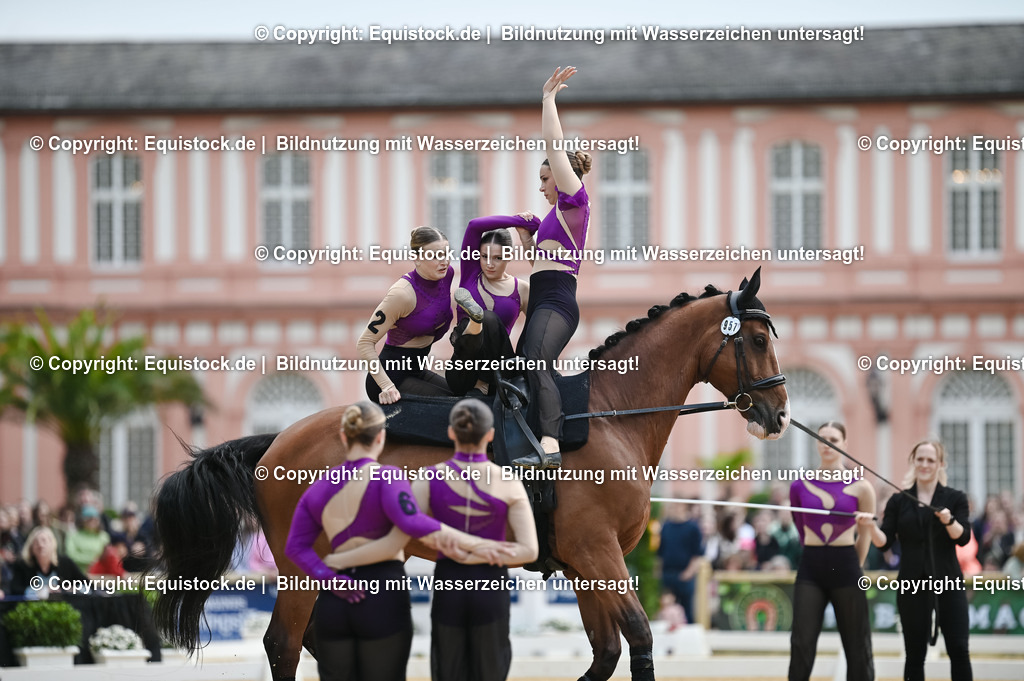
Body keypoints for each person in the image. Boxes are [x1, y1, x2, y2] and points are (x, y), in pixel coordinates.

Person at [285, 401, 514, 681]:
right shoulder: (389, 477)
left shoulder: (319, 488)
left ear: (344, 438)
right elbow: (414, 522)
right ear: (381, 438)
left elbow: (296, 547)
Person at [411, 399, 538, 681]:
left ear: (451, 433)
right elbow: (529, 550)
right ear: (491, 434)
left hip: (449, 584)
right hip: (490, 588)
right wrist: (482, 552)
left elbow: (412, 527)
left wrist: (450, 545)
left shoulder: (428, 476)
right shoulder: (508, 481)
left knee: (449, 671)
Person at [511, 66, 593, 469]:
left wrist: (547, 100)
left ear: (563, 179)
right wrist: (528, 236)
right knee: (523, 362)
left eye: (545, 178)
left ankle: (551, 441)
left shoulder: (574, 201)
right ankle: (528, 435)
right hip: (544, 296)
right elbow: (539, 263)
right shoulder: (551, 218)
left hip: (558, 301)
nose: (541, 185)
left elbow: (555, 146)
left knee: (535, 360)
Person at [861, 440, 973, 681]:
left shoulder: (955, 498)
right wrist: (870, 527)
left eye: (930, 460)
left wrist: (948, 521)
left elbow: (963, 538)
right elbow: (885, 542)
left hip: (948, 582)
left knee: (959, 649)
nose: (924, 464)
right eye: (920, 459)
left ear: (941, 464)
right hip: (912, 583)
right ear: (913, 462)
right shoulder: (899, 501)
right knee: (914, 655)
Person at [789, 421, 876, 681]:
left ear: (844, 444)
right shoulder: (799, 485)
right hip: (811, 566)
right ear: (816, 443)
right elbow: (800, 527)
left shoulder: (863, 487)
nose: (827, 444)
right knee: (801, 642)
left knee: (857, 645)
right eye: (822, 438)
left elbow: (866, 533)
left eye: (834, 440)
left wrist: (855, 567)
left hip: (847, 565)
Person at [357, 226, 455, 404]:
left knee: (470, 398)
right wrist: (387, 386)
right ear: (416, 258)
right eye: (434, 256)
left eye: (446, 253)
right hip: (391, 378)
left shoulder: (447, 275)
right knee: (456, 406)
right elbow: (364, 343)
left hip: (417, 371)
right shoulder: (401, 294)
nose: (444, 261)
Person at [447, 216, 533, 396]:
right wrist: (517, 220)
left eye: (497, 258)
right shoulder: (471, 274)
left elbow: (533, 332)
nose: (489, 264)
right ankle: (475, 321)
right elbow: (474, 225)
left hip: (501, 371)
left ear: (509, 256)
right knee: (471, 324)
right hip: (464, 371)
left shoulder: (523, 289)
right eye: (484, 256)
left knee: (488, 318)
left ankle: (496, 378)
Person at [10, 526, 89, 599]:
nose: (40, 545)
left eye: (44, 541)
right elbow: (14, 589)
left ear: (52, 544)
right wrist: (41, 591)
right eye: (36, 542)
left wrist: (73, 589)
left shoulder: (65, 562)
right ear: (31, 548)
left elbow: (88, 585)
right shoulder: (22, 565)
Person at [657, 502, 704, 624]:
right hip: (667, 573)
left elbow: (697, 553)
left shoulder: (693, 527)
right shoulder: (666, 526)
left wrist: (689, 572)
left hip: (684, 574)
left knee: (687, 609)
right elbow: (661, 551)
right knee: (666, 608)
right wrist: (658, 570)